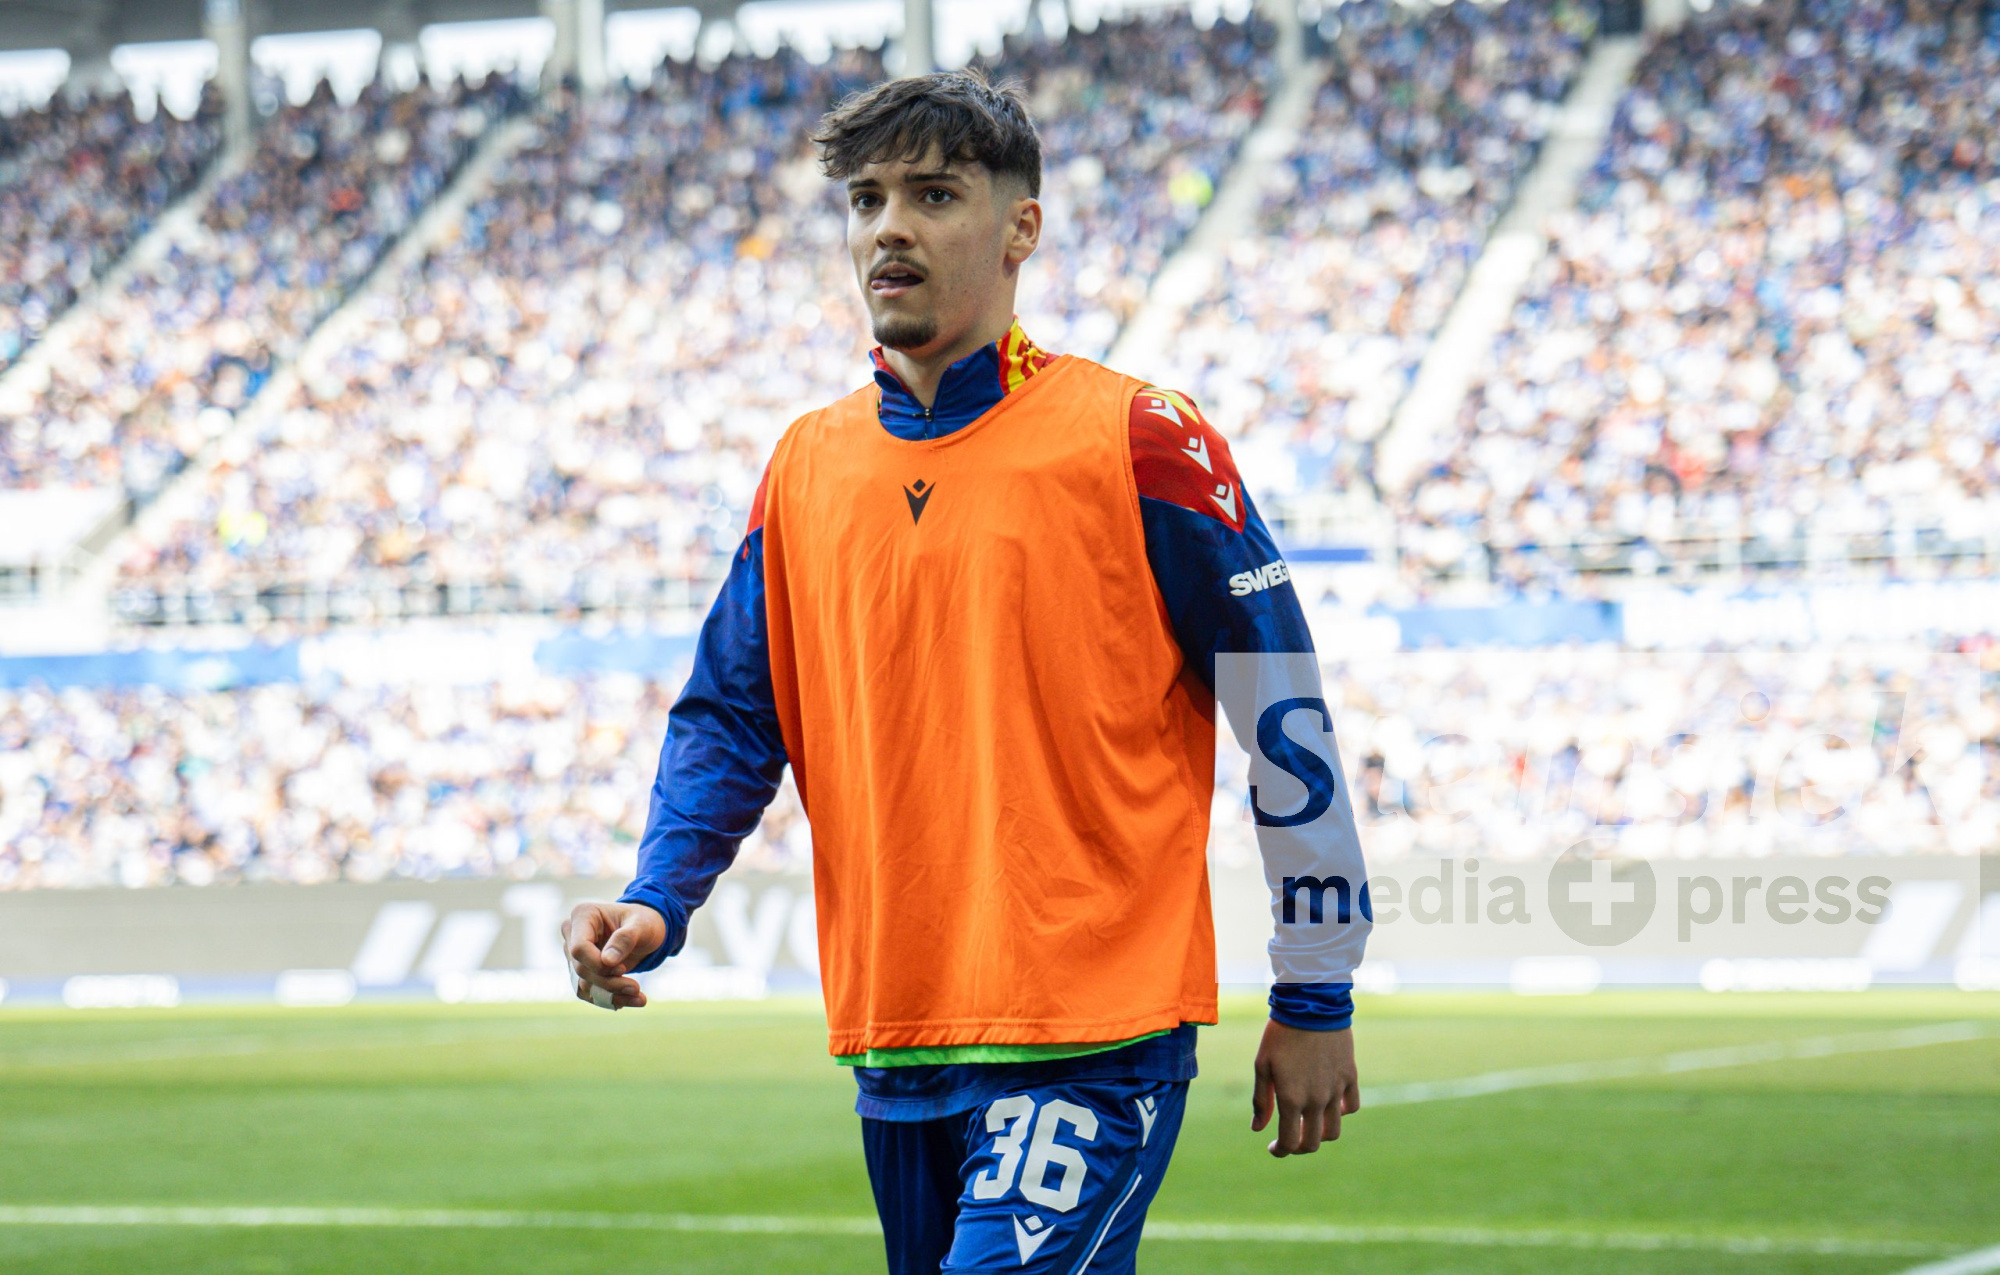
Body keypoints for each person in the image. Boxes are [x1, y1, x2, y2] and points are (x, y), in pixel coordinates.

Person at [564, 68, 1371, 1273]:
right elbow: (732, 716)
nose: (887, 227)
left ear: (1019, 228)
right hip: (896, 1039)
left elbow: (1281, 713)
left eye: (932, 195)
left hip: (1088, 1036)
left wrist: (1314, 992)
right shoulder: (804, 466)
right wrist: (657, 897)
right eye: (865, 199)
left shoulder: (1142, 436)